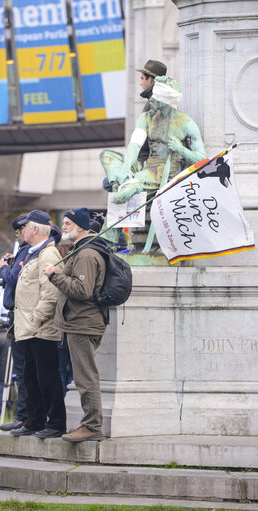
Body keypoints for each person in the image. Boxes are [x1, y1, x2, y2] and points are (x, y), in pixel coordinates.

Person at [43, 207, 108, 443]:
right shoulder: (80, 251)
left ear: (81, 226)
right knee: (83, 376)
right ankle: (88, 423)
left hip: (83, 324)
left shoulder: (87, 254)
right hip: (79, 323)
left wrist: (54, 275)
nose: (64, 228)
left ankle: (92, 426)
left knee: (85, 377)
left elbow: (82, 290)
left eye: (68, 224)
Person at [100, 76, 207, 205]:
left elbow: (203, 160)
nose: (150, 100)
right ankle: (122, 181)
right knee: (106, 156)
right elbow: (135, 145)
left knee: (138, 178)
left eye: (154, 98)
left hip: (161, 171)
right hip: (145, 164)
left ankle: (128, 184)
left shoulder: (186, 124)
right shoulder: (146, 118)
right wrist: (127, 167)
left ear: (162, 101)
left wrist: (182, 150)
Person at [10, 210, 66, 439]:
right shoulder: (35, 253)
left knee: (48, 377)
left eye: (24, 227)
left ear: (34, 229)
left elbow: (50, 294)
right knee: (31, 377)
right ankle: (34, 421)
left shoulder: (47, 254)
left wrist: (34, 320)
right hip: (30, 328)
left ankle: (56, 423)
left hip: (40, 328)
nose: (21, 231)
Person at [0, 214, 30, 431]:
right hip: (18, 315)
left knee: (24, 370)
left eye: (19, 232)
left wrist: (3, 267)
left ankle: (24, 416)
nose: (18, 236)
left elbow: (14, 278)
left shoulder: (28, 251)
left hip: (22, 316)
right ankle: (24, 416)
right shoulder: (25, 251)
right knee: (24, 370)